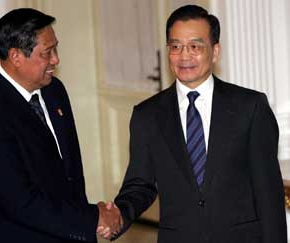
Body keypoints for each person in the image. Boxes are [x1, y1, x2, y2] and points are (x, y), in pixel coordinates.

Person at [101, 4, 287, 243]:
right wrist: (118, 215)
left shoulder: (249, 107)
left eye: (195, 46)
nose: (184, 56)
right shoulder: (147, 115)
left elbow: (268, 193)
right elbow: (140, 184)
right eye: (176, 46)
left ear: (215, 51)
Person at [0, 8, 121, 243]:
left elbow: (71, 176)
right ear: (16, 57)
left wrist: (87, 224)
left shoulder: (54, 91)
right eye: (47, 52)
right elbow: (20, 202)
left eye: (56, 48)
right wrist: (92, 218)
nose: (56, 59)